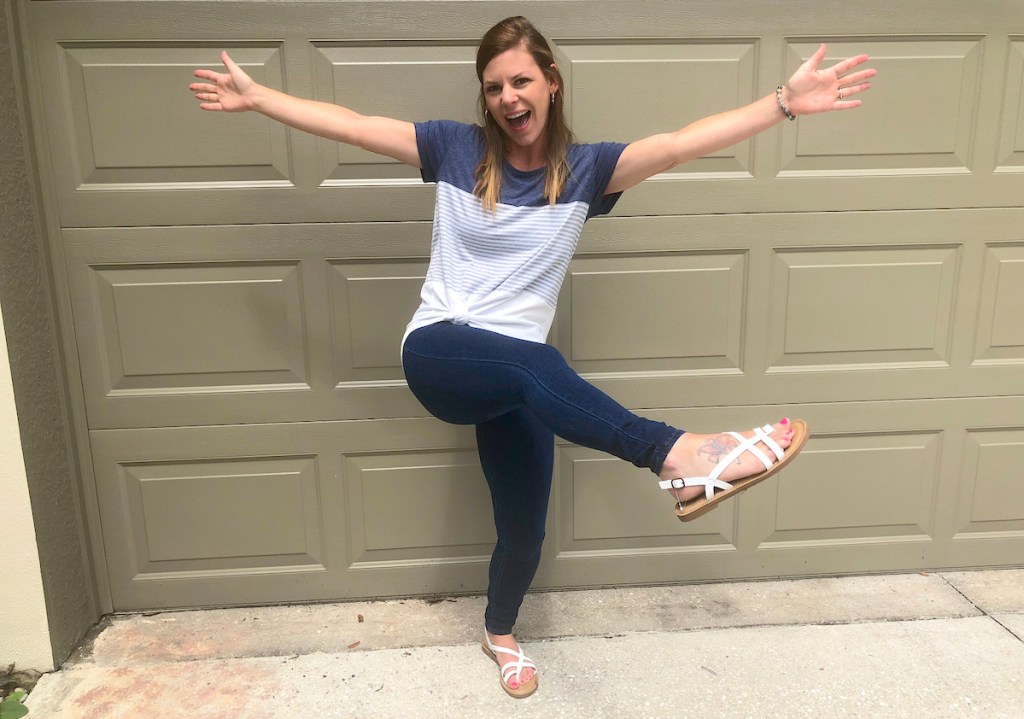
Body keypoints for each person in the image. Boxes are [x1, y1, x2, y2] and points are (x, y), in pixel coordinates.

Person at [191, 15, 874, 699]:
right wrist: (260, 99)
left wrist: (782, 103)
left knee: (524, 525)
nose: (508, 97)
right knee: (531, 365)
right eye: (493, 87)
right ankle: (679, 456)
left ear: (551, 83)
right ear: (483, 98)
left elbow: (675, 146)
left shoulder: (586, 171)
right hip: (440, 351)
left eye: (521, 80)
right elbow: (350, 123)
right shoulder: (453, 149)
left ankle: (500, 632)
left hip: (522, 377)